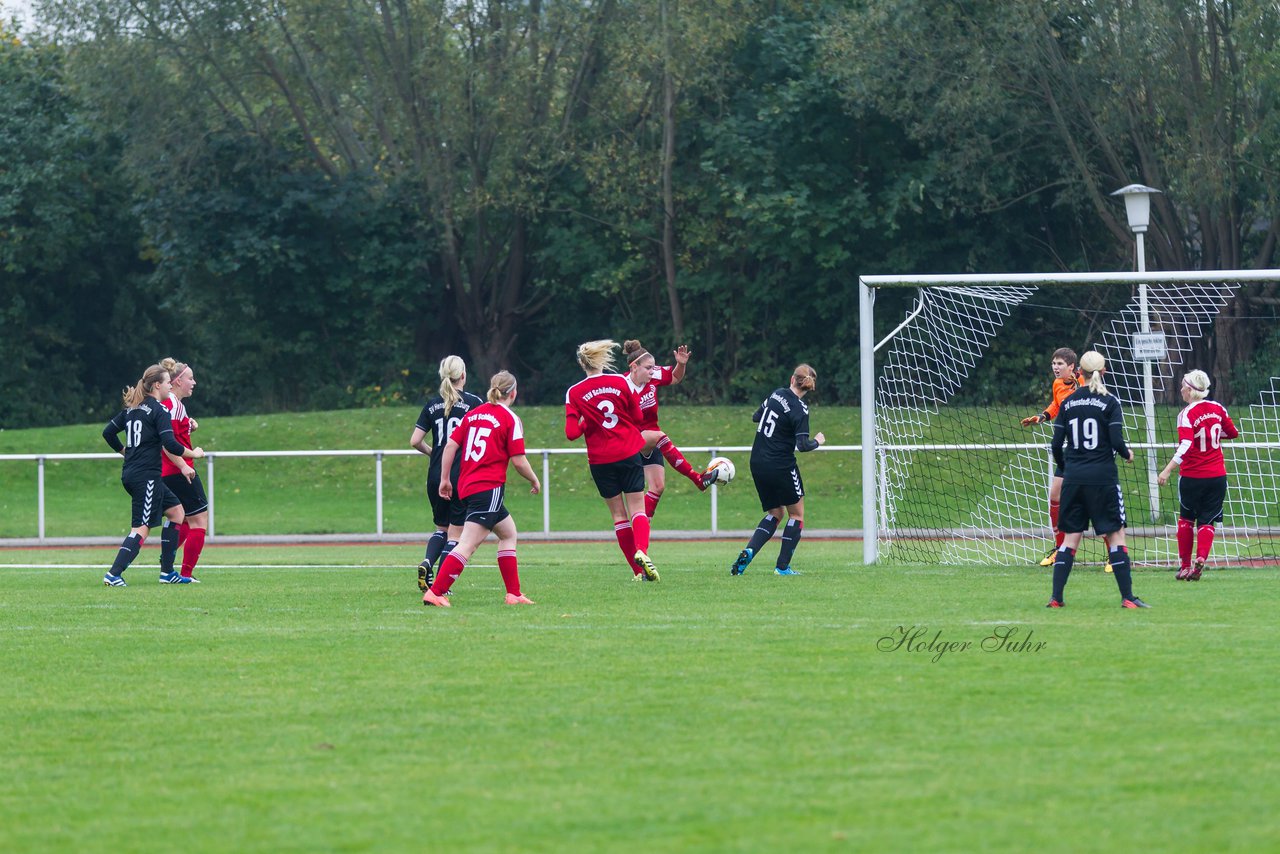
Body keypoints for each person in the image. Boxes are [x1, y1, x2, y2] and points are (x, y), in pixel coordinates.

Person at [422, 371, 540, 607]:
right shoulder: (510, 418)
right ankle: (436, 591)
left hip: (466, 486)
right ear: (514, 392)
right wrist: (534, 480)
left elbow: (449, 446)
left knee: (508, 533)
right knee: (468, 544)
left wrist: (445, 479)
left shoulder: (474, 414)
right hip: (488, 488)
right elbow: (518, 460)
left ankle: (513, 594)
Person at [1047, 351, 1148, 608]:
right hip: (1103, 479)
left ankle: (1056, 598)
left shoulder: (1068, 403)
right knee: (1116, 536)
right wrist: (1127, 454)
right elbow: (1116, 440)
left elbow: (1056, 444)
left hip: (1074, 479)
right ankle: (1128, 597)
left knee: (1070, 538)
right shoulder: (1110, 402)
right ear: (1103, 373)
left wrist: (1065, 466)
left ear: (1078, 372)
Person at [101, 364, 206, 586]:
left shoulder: (132, 408)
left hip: (137, 473)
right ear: (158, 385)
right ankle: (113, 574)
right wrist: (193, 453)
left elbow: (108, 432)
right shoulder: (159, 410)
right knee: (141, 528)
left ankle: (167, 573)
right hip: (145, 476)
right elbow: (170, 444)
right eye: (168, 382)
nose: (170, 385)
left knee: (177, 512)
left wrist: (125, 452)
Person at [565, 339, 660, 581]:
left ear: (581, 364)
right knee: (637, 508)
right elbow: (638, 417)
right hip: (628, 452)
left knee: (619, 515)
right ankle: (643, 552)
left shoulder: (574, 392)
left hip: (600, 460)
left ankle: (638, 572)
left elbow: (571, 433)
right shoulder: (620, 381)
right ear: (601, 360)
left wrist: (588, 420)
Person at [1022, 348, 1114, 572]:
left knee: (1096, 503)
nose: (1055, 367)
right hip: (1072, 451)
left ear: (1073, 367)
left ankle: (1114, 553)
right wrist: (1042, 416)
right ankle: (1060, 548)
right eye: (1054, 363)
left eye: (1060, 363)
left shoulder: (1087, 382)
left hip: (1093, 451)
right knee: (1055, 494)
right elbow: (1057, 405)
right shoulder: (1057, 385)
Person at [730, 364, 826, 577]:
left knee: (775, 513)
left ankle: (750, 550)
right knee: (797, 514)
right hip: (780, 464)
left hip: (757, 461)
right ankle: (782, 567)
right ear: (809, 387)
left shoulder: (777, 394)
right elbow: (802, 445)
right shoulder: (800, 410)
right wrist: (818, 441)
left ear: (792, 379)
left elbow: (757, 416)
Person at [410, 355, 485, 592]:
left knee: (440, 527)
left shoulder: (431, 404)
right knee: (456, 531)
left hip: (435, 474)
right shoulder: (474, 403)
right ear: (463, 375)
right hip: (459, 475)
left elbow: (415, 441)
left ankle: (427, 562)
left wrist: (434, 454)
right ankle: (443, 582)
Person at [621, 339, 719, 517]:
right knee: (659, 436)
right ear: (634, 367)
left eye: (653, 367)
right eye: (648, 368)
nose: (653, 371)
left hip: (650, 439)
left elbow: (675, 377)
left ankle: (640, 531)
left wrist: (681, 365)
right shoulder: (622, 386)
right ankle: (697, 479)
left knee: (657, 487)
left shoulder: (654, 375)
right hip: (631, 440)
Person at [1157, 369, 1238, 580]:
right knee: (1207, 521)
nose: (1181, 389)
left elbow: (1186, 444)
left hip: (1192, 476)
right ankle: (1201, 558)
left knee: (1186, 520)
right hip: (1217, 476)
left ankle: (1184, 566)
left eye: (1184, 385)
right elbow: (1232, 433)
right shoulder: (1218, 408)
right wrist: (1213, 436)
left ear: (1191, 390)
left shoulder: (1186, 414)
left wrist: (1167, 470)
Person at [158, 357, 209, 581]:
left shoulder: (170, 404)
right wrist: (182, 465)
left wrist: (190, 425)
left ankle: (167, 560)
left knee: (185, 519)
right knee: (200, 521)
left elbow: (173, 432)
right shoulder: (174, 405)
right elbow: (166, 442)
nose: (194, 382)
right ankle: (185, 574)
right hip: (179, 470)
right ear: (177, 381)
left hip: (167, 472)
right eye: (190, 378)